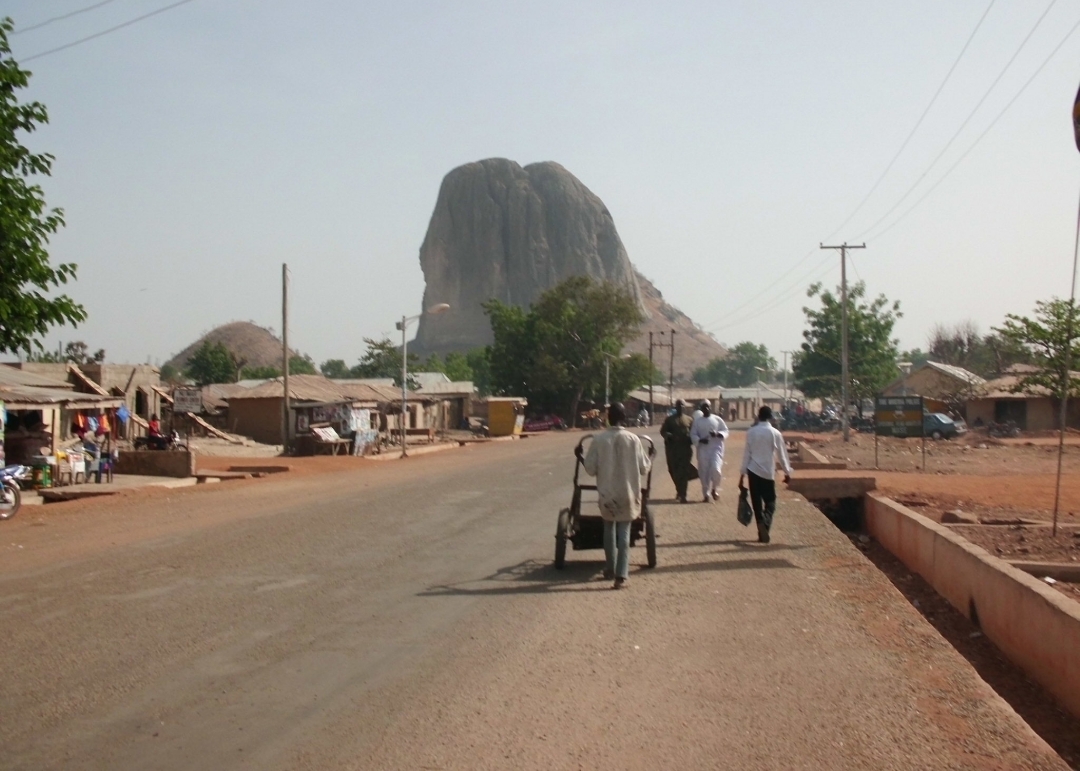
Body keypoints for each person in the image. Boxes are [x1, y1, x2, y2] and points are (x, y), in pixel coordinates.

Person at [579, 402, 653, 589]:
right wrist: (651, 457)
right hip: (628, 493)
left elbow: (590, 468)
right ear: (624, 418)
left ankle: (610, 568)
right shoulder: (634, 440)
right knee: (624, 532)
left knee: (608, 529)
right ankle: (621, 574)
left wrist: (580, 457)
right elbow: (644, 468)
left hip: (607, 494)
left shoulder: (599, 439)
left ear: (608, 419)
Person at [738, 406, 794, 544]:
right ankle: (765, 521)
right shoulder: (775, 433)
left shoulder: (751, 432)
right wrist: (787, 472)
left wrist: (742, 474)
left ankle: (761, 530)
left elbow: (747, 454)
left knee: (756, 502)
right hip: (768, 472)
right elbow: (782, 455)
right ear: (770, 417)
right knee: (770, 502)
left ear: (759, 416)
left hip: (753, 471)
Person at [690, 401, 729, 502]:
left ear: (710, 408)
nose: (706, 409)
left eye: (707, 407)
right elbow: (693, 434)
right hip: (703, 450)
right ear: (701, 409)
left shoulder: (717, 419)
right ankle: (706, 494)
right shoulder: (697, 422)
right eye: (704, 407)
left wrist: (718, 434)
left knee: (716, 470)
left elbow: (725, 431)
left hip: (716, 449)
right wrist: (700, 440)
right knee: (704, 473)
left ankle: (714, 489)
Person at [659, 399, 695, 503]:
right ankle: (679, 490)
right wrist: (669, 436)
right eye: (678, 406)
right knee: (673, 471)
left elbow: (693, 434)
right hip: (672, 450)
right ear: (676, 407)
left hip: (685, 450)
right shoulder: (669, 420)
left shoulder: (689, 420)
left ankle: (683, 494)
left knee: (683, 472)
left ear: (684, 407)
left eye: (682, 406)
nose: (680, 407)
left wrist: (690, 439)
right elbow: (663, 431)